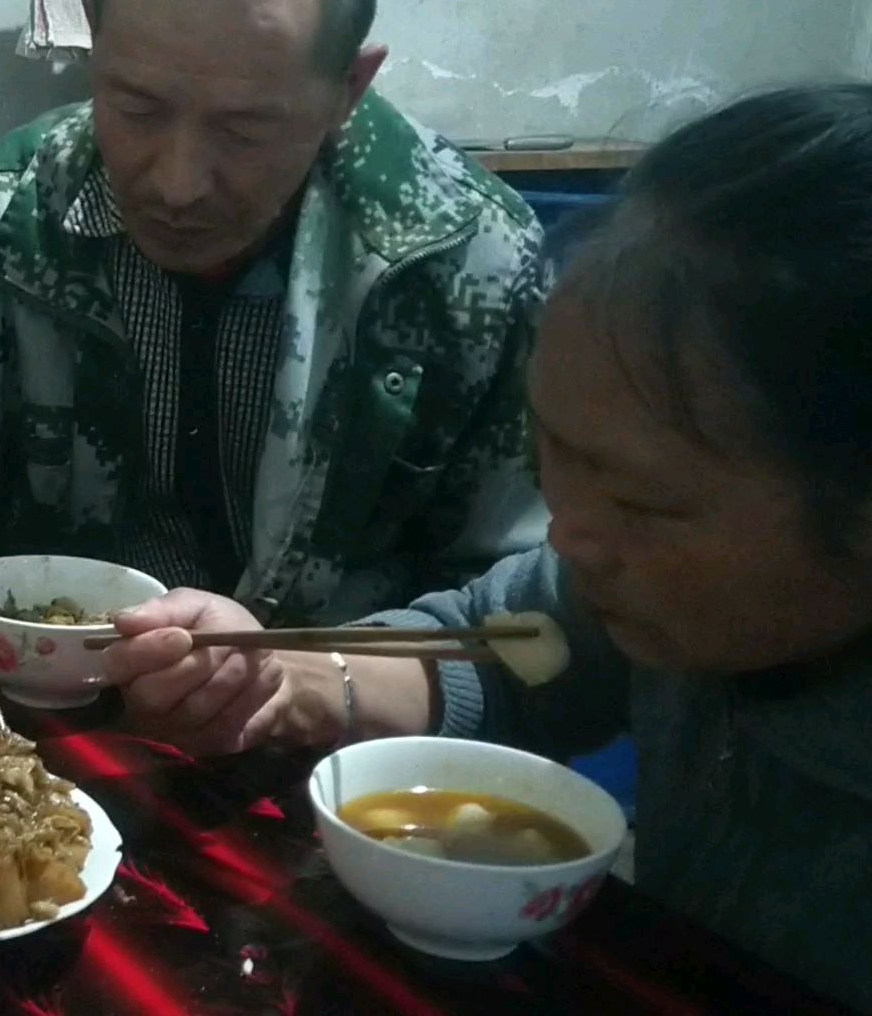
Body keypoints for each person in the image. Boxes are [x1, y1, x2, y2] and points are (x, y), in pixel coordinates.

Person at [104, 84, 872, 1010]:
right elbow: (494, 649)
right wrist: (284, 678)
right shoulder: (648, 585)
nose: (569, 531)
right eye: (553, 449)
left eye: (642, 500)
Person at [0, 0, 549, 648]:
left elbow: (536, 613)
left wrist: (332, 683)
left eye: (244, 129)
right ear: (95, 30)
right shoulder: (2, 217)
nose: (176, 184)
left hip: (339, 764)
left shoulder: (462, 259)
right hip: (36, 742)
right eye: (137, 106)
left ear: (349, 86)